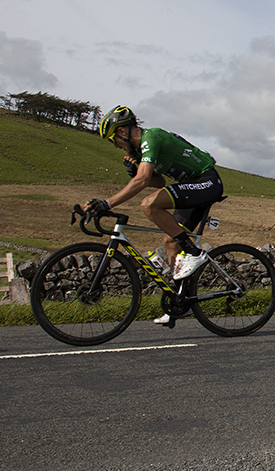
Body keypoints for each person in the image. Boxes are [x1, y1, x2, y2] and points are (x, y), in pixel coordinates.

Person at [89, 106, 224, 326]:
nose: (114, 144)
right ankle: (181, 302)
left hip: (206, 181)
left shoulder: (151, 137)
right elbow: (158, 181)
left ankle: (194, 252)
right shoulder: (138, 152)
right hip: (190, 186)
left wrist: (107, 203)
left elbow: (143, 182)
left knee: (149, 205)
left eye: (113, 138)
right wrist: (135, 172)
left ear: (122, 131)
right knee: (170, 241)